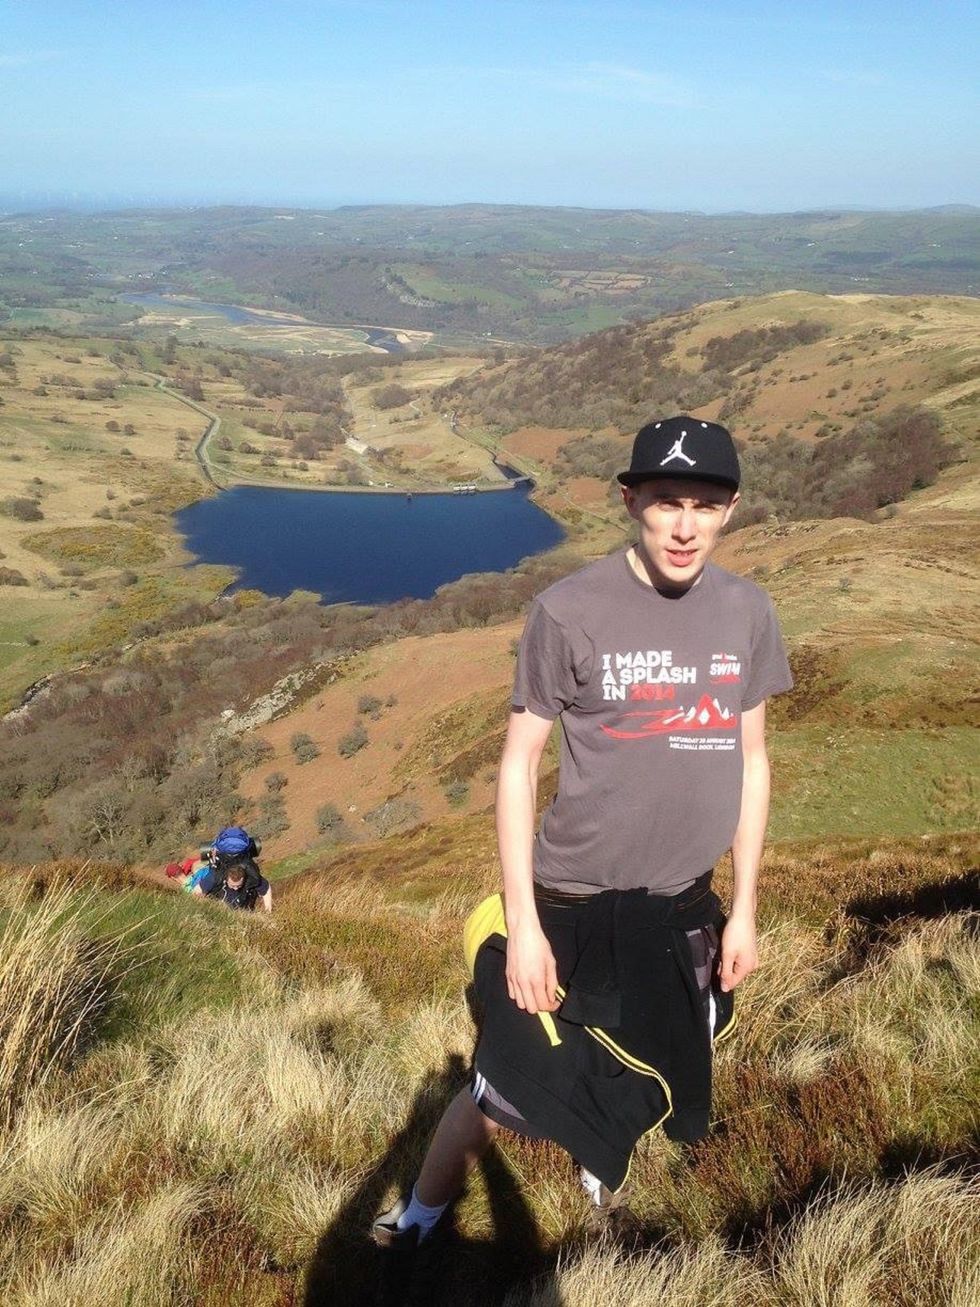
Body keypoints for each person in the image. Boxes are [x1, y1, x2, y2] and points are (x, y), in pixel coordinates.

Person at [372, 415, 793, 1252]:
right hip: (569, 904)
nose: (684, 524)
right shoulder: (567, 611)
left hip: (679, 910)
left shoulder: (748, 612)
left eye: (705, 505)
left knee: (653, 1062)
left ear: (731, 509)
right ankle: (422, 1210)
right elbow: (518, 765)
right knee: (504, 1086)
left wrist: (743, 907)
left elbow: (753, 760)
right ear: (631, 499)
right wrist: (524, 925)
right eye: (666, 500)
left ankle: (601, 1167)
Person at [193, 856, 272, 913]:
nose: (236, 888)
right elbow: (196, 893)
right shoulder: (215, 877)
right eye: (232, 885)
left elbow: (266, 888)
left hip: (244, 910)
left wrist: (268, 911)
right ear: (226, 879)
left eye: (239, 885)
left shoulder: (251, 877)